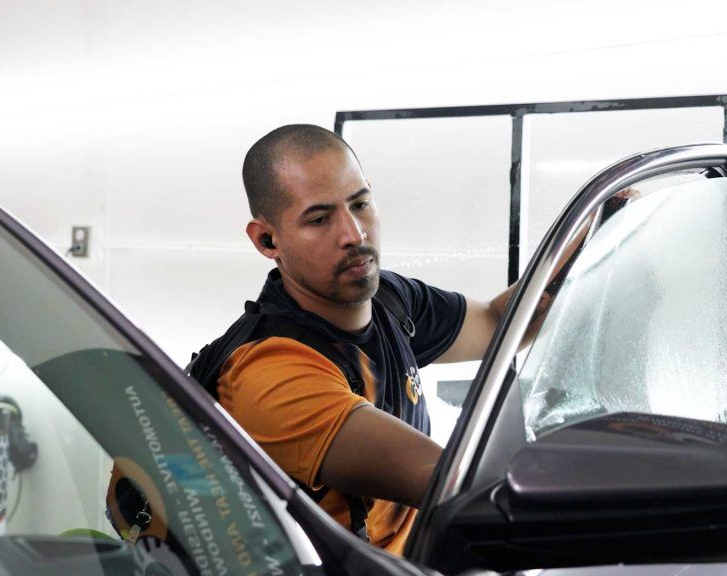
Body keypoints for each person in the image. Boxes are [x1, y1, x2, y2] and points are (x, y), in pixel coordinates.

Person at [210, 124, 528, 555]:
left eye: (360, 204)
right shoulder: (271, 374)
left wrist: (589, 249)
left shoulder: (390, 301)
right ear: (267, 239)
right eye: (320, 219)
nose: (354, 235)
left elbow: (497, 325)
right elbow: (453, 484)